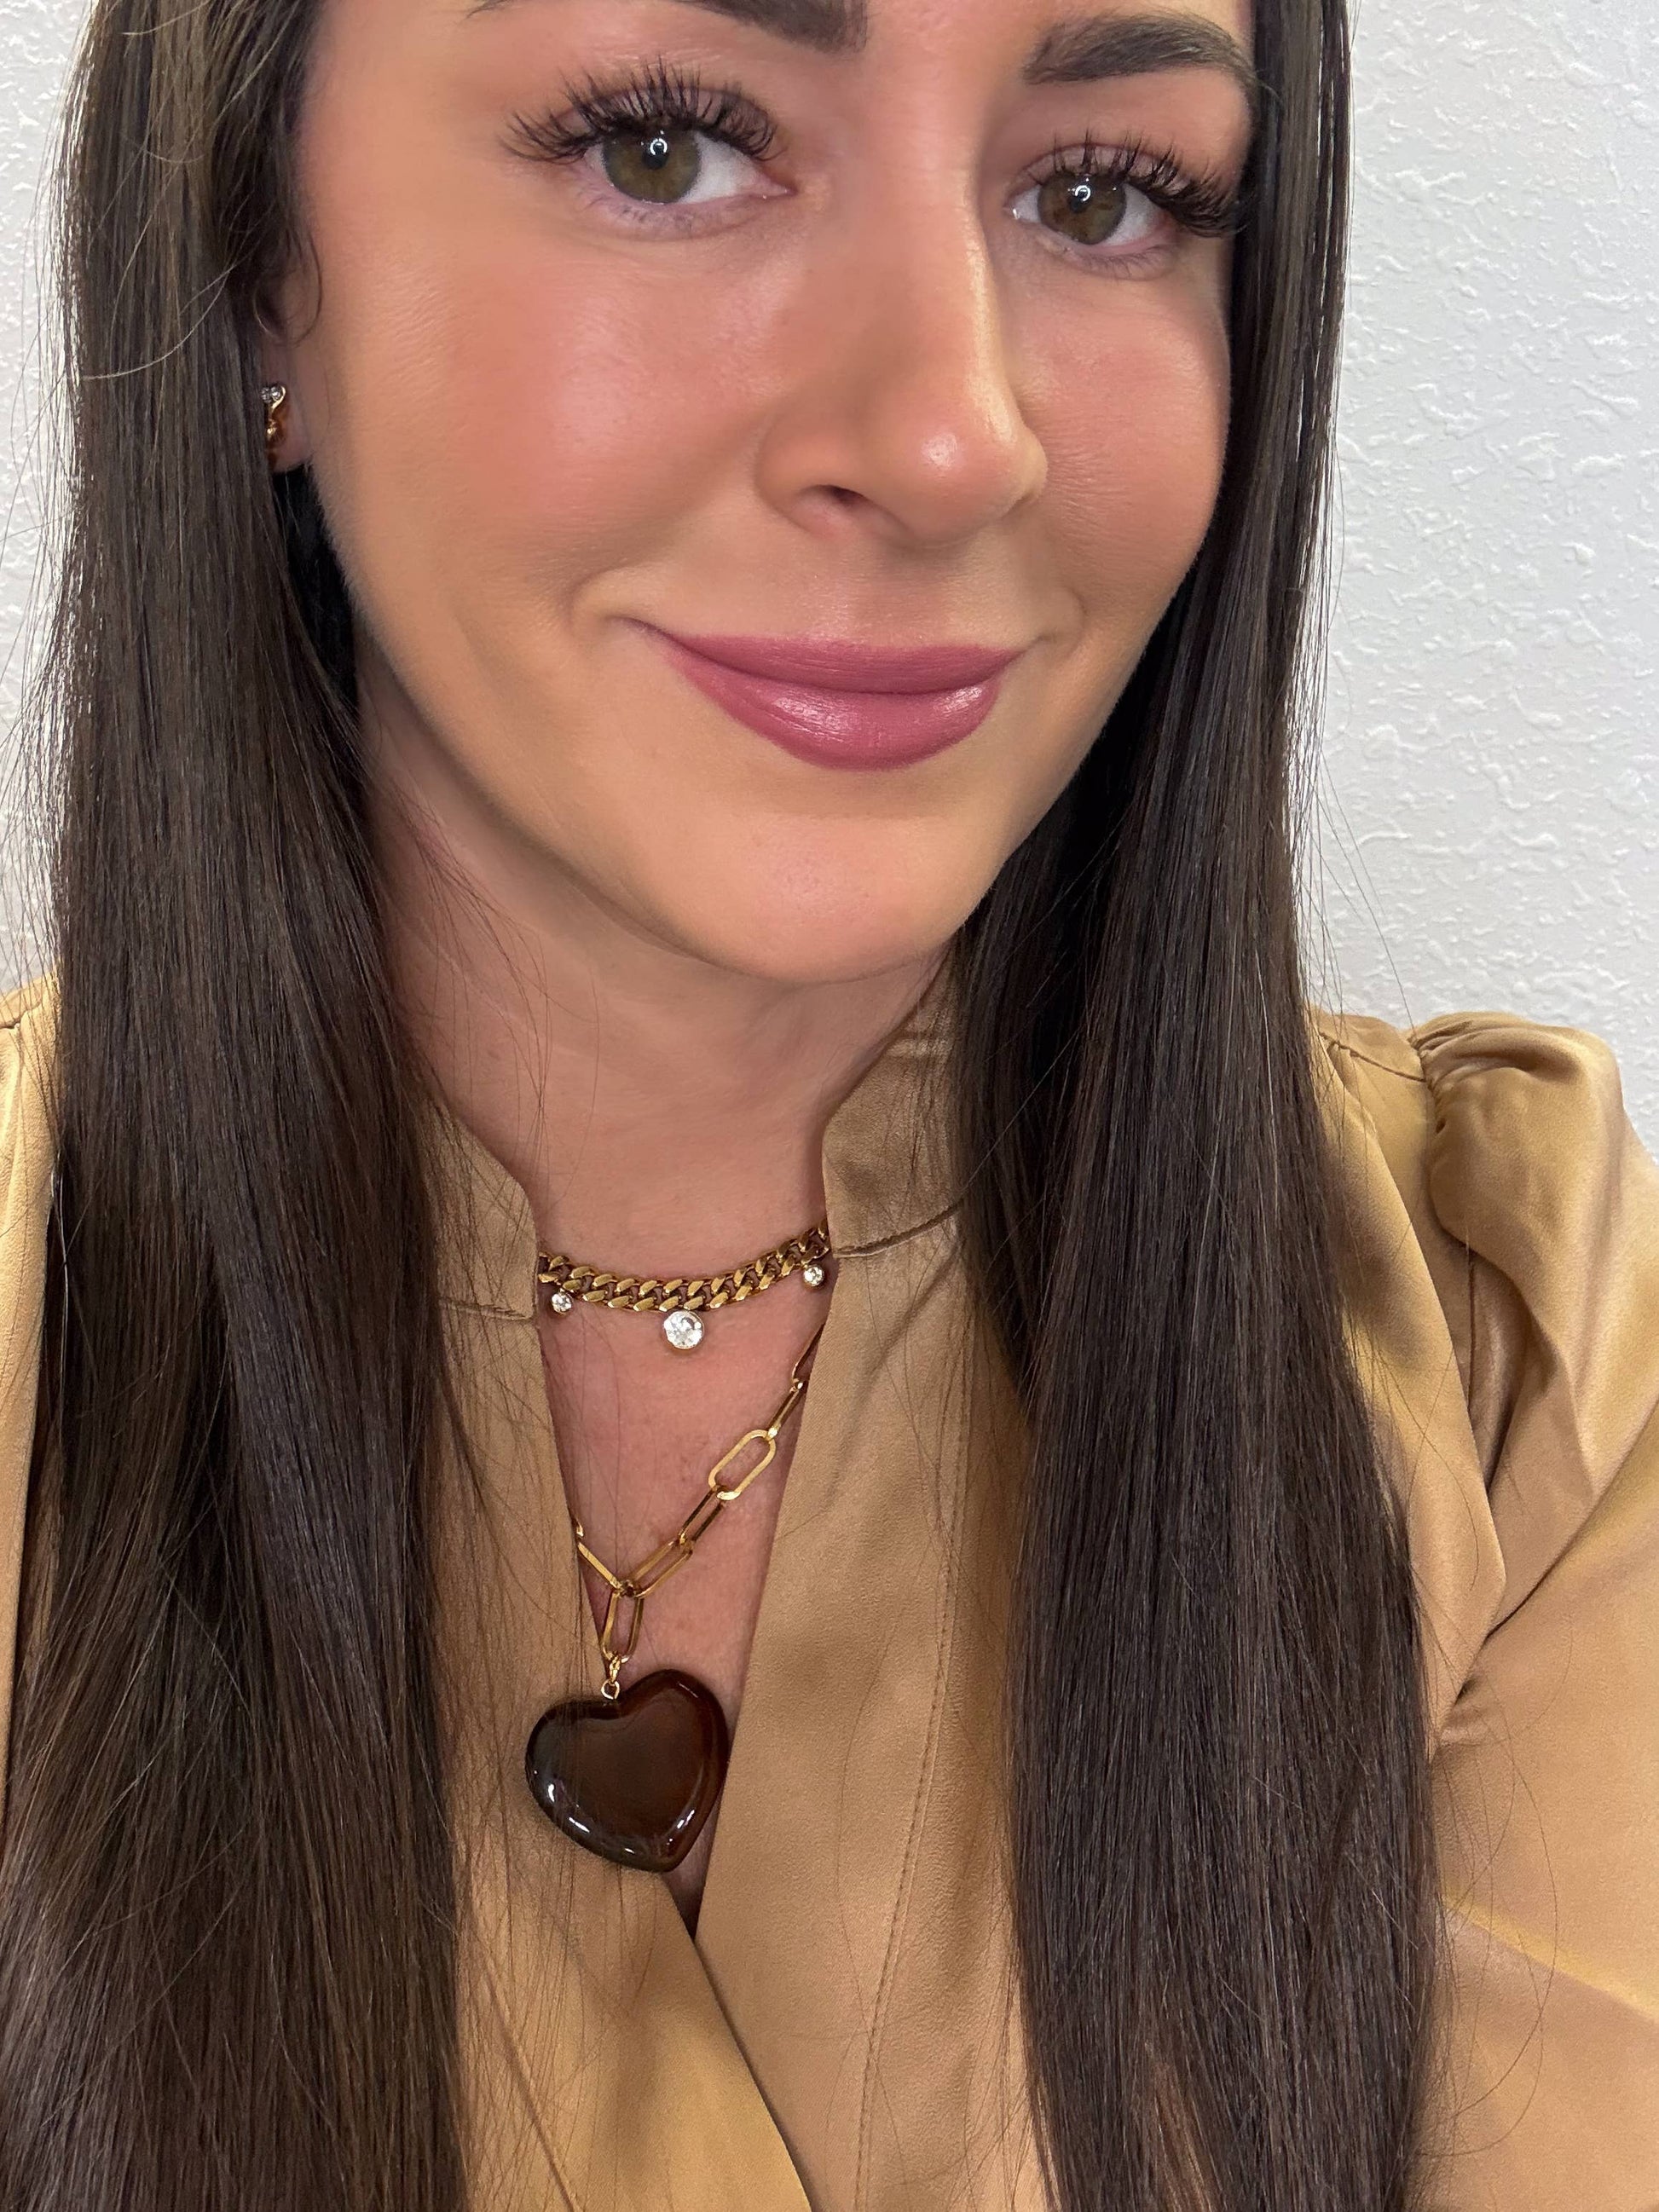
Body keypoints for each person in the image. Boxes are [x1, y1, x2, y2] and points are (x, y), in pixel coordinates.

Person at [0, 0, 1653, 2206]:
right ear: (253, 265)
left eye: (1105, 194)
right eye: (667, 147)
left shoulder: (1510, 1348)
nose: (955, 435)